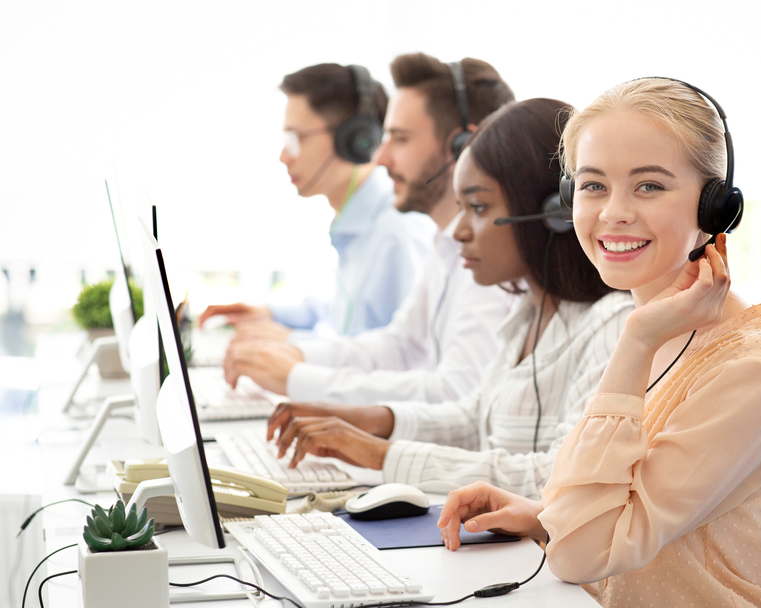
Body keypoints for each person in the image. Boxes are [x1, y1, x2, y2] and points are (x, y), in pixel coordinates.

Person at [437, 78, 761, 608]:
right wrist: (540, 516)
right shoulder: (661, 332)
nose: (614, 213)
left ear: (715, 206)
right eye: (593, 186)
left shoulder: (754, 368)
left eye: (649, 185)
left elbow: (583, 556)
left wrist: (635, 340)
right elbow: (620, 513)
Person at [267, 98, 634, 499]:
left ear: (554, 211)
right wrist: (364, 419)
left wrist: (380, 454)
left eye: (478, 207)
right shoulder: (529, 312)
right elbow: (473, 418)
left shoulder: (612, 326)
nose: (458, 231)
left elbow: (559, 476)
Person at [212, 54, 515, 402]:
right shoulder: (442, 243)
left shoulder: (482, 257)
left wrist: (297, 376)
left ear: (462, 147)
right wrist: (295, 354)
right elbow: (397, 345)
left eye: (400, 139)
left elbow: (455, 392)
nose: (381, 158)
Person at [198, 63, 435, 350]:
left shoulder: (397, 235)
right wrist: (272, 316)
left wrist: (290, 343)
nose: (284, 156)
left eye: (296, 138)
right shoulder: (358, 225)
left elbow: (405, 356)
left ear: (355, 140)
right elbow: (347, 318)